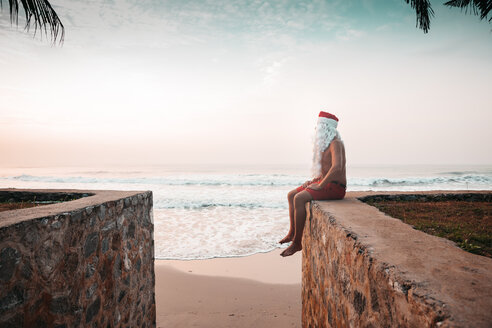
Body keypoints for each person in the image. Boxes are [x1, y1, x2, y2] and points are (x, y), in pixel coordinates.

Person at [280, 111, 347, 257]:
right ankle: (292, 233)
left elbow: (337, 167)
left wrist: (321, 185)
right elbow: (326, 170)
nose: (317, 130)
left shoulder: (336, 143)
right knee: (291, 194)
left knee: (299, 198)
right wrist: (315, 180)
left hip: (335, 187)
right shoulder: (325, 145)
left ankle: (297, 243)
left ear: (327, 128)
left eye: (320, 127)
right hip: (325, 182)